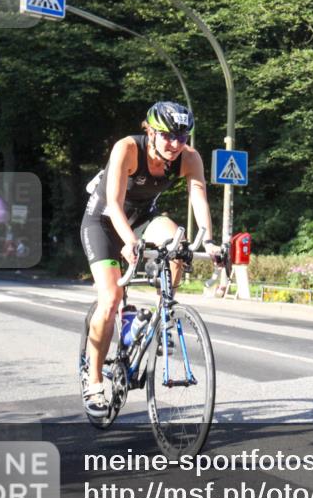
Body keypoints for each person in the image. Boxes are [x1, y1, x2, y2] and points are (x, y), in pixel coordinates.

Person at [79, 101, 220, 416]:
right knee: (111, 297)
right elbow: (114, 204)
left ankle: (161, 314)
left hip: (144, 218)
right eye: (168, 136)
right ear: (151, 131)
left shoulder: (189, 158)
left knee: (176, 242)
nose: (175, 144)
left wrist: (209, 241)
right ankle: (94, 379)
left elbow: (198, 197)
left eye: (182, 137)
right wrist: (129, 242)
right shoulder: (127, 148)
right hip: (103, 222)